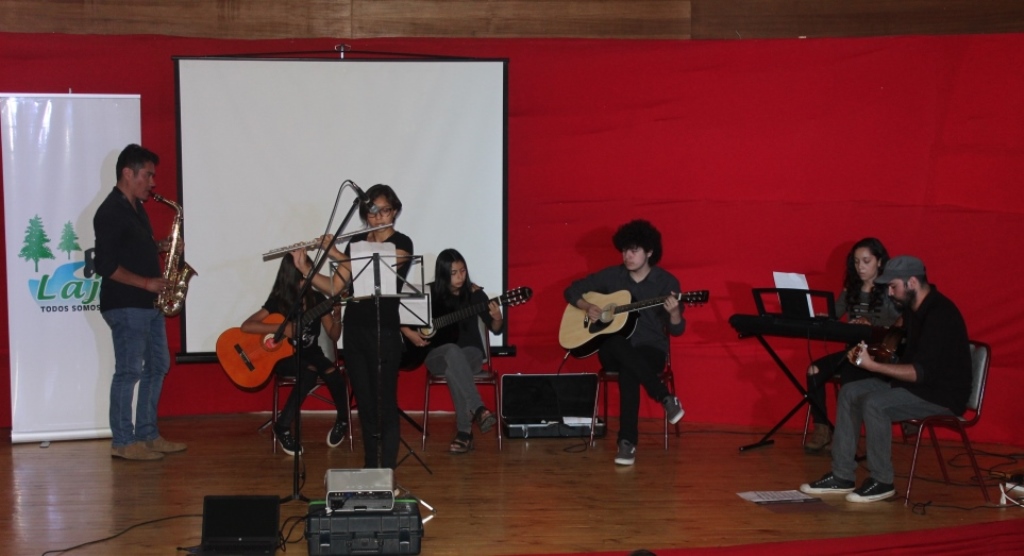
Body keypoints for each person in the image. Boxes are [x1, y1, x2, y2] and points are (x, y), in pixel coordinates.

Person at [800, 255, 973, 503]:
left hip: (941, 395)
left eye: (893, 286)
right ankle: (842, 475)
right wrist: (874, 347)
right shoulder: (913, 310)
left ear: (912, 282)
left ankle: (882, 481)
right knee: (850, 391)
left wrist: (873, 365)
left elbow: (920, 372)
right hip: (916, 386)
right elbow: (898, 343)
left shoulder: (940, 315)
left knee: (875, 404)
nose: (890, 293)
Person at [297, 184, 413, 469]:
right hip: (355, 331)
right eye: (372, 212)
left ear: (395, 211)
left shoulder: (402, 243)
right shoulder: (357, 243)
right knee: (365, 404)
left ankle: (387, 473)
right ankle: (371, 469)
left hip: (384, 331)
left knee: (385, 404)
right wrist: (306, 270)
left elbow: (377, 266)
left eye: (385, 210)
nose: (378, 217)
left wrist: (335, 253)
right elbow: (335, 287)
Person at [563, 219, 686, 466]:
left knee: (630, 369)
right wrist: (587, 306)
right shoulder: (613, 276)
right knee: (615, 343)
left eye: (634, 251)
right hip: (614, 350)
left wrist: (674, 313)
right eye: (624, 251)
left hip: (651, 349)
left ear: (649, 252)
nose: (627, 256)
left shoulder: (666, 283)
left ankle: (626, 442)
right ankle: (664, 397)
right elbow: (572, 291)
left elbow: (678, 329)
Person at [93, 144, 187, 461]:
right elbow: (105, 265)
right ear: (127, 173)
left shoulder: (136, 208)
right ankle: (123, 441)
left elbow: (131, 248)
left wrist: (161, 245)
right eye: (148, 175)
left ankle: (147, 435)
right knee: (129, 372)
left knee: (158, 366)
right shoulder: (109, 212)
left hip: (148, 304)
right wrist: (147, 283)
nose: (153, 182)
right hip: (126, 304)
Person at [241, 250, 348, 456]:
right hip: (285, 358)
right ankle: (282, 426)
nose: (308, 279)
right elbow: (247, 326)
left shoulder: (318, 298)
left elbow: (334, 335)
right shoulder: (278, 301)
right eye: (303, 275)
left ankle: (343, 420)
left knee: (333, 372)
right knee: (309, 372)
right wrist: (283, 328)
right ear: (291, 276)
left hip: (312, 353)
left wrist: (337, 315)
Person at [804, 237, 901, 453]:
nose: (860, 267)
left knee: (850, 378)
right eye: (857, 262)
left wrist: (870, 324)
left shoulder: (890, 289)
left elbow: (898, 324)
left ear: (879, 261)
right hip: (853, 352)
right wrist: (825, 318)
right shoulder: (851, 289)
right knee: (813, 371)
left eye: (866, 261)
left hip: (878, 355)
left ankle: (845, 439)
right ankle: (822, 429)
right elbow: (836, 313)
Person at [403, 249, 501, 454]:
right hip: (436, 356)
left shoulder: (475, 295)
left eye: (463, 271)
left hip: (472, 355)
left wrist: (498, 317)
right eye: (454, 272)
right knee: (452, 352)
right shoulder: (429, 294)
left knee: (453, 367)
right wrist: (409, 332)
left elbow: (495, 328)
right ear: (443, 274)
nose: (460, 277)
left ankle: (465, 431)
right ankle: (478, 409)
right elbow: (400, 316)